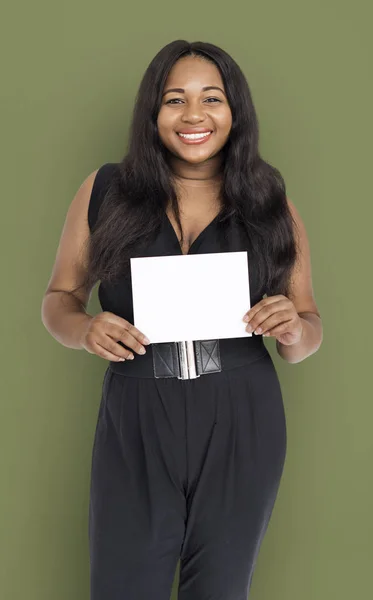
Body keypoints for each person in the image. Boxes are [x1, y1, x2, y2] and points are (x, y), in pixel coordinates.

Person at [41, 40, 323, 600]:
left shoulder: (270, 199)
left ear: (234, 112)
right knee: (123, 587)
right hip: (137, 409)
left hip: (242, 411)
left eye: (211, 99)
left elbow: (308, 329)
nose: (194, 115)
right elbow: (59, 298)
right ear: (153, 114)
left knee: (220, 588)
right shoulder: (106, 190)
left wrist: (294, 328)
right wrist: (83, 328)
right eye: (175, 100)